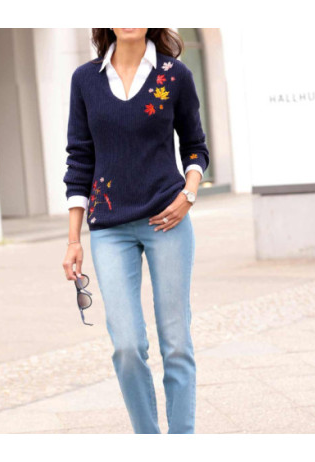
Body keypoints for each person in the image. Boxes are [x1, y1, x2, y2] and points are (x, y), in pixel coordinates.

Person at [62, 28, 210, 434]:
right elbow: (79, 159)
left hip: (168, 220)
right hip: (109, 229)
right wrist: (73, 240)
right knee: (127, 345)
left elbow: (195, 146)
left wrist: (189, 194)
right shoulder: (85, 80)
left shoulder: (175, 75)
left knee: (176, 342)